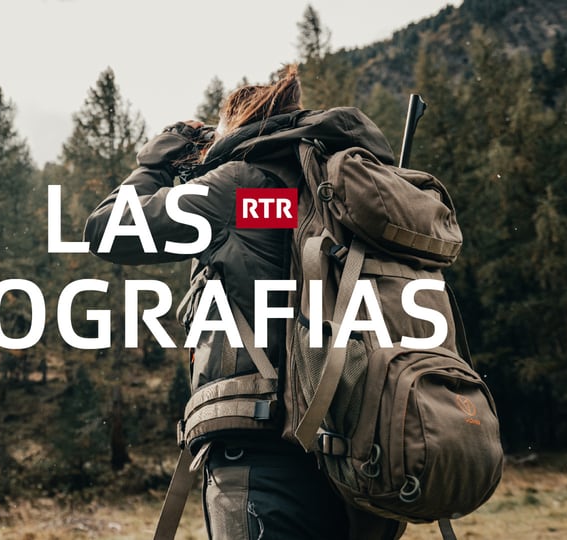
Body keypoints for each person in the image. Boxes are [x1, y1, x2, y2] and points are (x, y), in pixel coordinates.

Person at [83, 66, 405, 540]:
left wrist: (158, 162)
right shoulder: (339, 197)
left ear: (238, 128)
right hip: (359, 459)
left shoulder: (243, 189)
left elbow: (108, 230)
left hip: (262, 458)